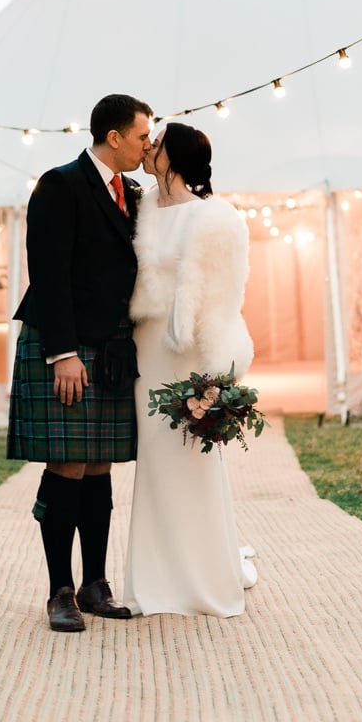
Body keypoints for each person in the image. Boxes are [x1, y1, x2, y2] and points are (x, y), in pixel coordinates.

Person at [8, 93, 154, 632]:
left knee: (99, 466)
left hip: (113, 346)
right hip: (65, 344)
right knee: (67, 464)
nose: (147, 144)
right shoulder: (60, 184)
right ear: (113, 137)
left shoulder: (134, 193)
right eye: (142, 136)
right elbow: (48, 273)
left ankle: (95, 584)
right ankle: (59, 592)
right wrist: (62, 354)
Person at [124, 122, 255, 617]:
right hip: (146, 349)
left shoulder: (215, 218)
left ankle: (205, 580)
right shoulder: (143, 210)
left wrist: (215, 376)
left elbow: (224, 303)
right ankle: (154, 583)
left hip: (186, 354)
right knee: (155, 464)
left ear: (173, 158)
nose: (148, 147)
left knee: (192, 459)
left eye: (156, 143)